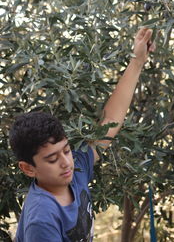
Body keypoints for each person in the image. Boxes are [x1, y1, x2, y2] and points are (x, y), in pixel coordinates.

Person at [9, 27, 155, 242]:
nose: (65, 162)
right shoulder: (41, 219)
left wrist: (137, 61)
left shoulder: (75, 170)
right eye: (51, 159)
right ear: (28, 168)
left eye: (66, 150)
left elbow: (109, 122)